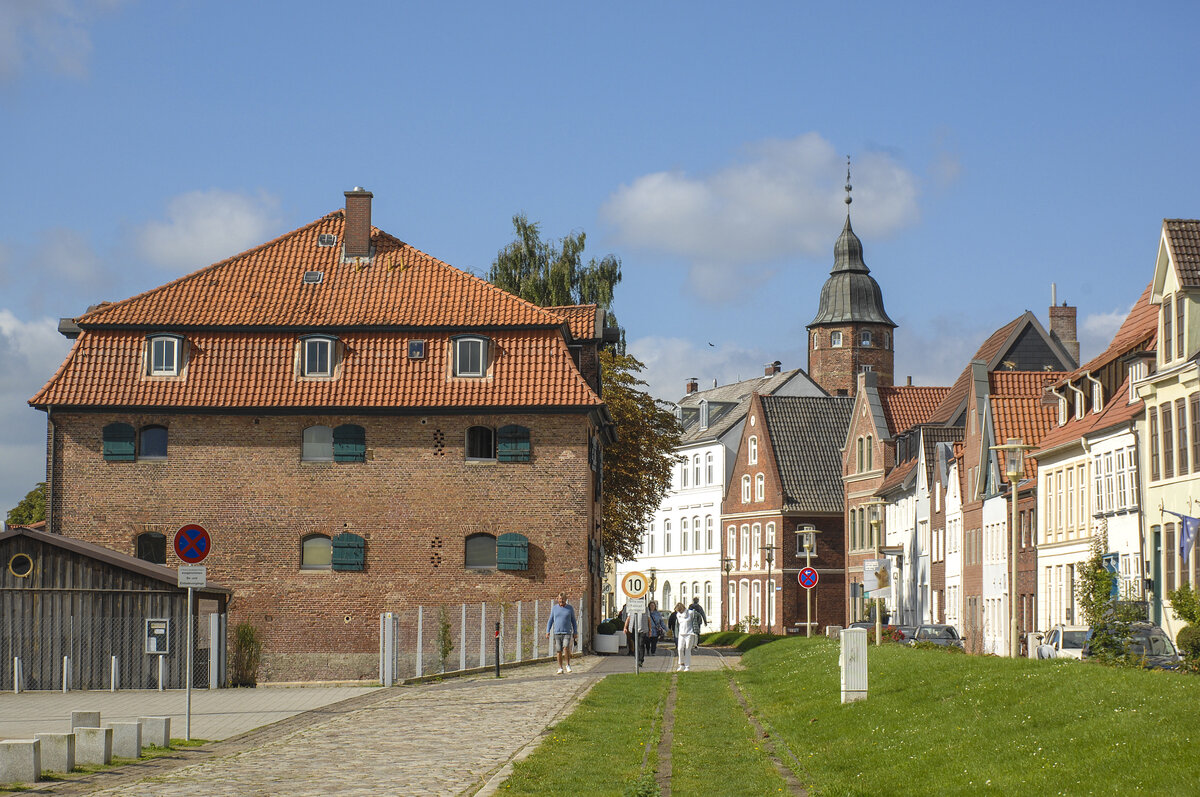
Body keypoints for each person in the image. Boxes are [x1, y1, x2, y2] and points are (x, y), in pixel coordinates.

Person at [545, 593, 578, 674]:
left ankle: (567, 665)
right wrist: (547, 631)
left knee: (566, 647)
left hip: (567, 632)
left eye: (563, 599)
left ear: (566, 599)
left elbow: (573, 621)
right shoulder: (554, 608)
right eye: (560, 599)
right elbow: (550, 620)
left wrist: (575, 632)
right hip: (557, 632)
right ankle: (560, 667)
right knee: (559, 650)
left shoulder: (569, 608)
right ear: (557, 599)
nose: (561, 600)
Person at [674, 602, 700, 672]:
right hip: (681, 633)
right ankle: (681, 664)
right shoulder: (678, 614)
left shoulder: (691, 613)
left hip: (689, 633)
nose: (680, 612)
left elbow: (698, 617)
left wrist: (696, 628)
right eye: (678, 611)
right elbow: (678, 624)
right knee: (680, 649)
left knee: (688, 649)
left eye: (680, 610)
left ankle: (687, 666)